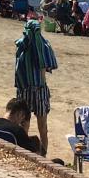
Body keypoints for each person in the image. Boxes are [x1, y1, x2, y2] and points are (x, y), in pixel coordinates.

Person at [14, 19, 57, 155]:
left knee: (25, 124)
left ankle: (26, 151)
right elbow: (47, 66)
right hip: (39, 89)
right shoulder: (43, 46)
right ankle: (41, 154)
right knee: (41, 126)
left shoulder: (22, 44)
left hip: (25, 88)